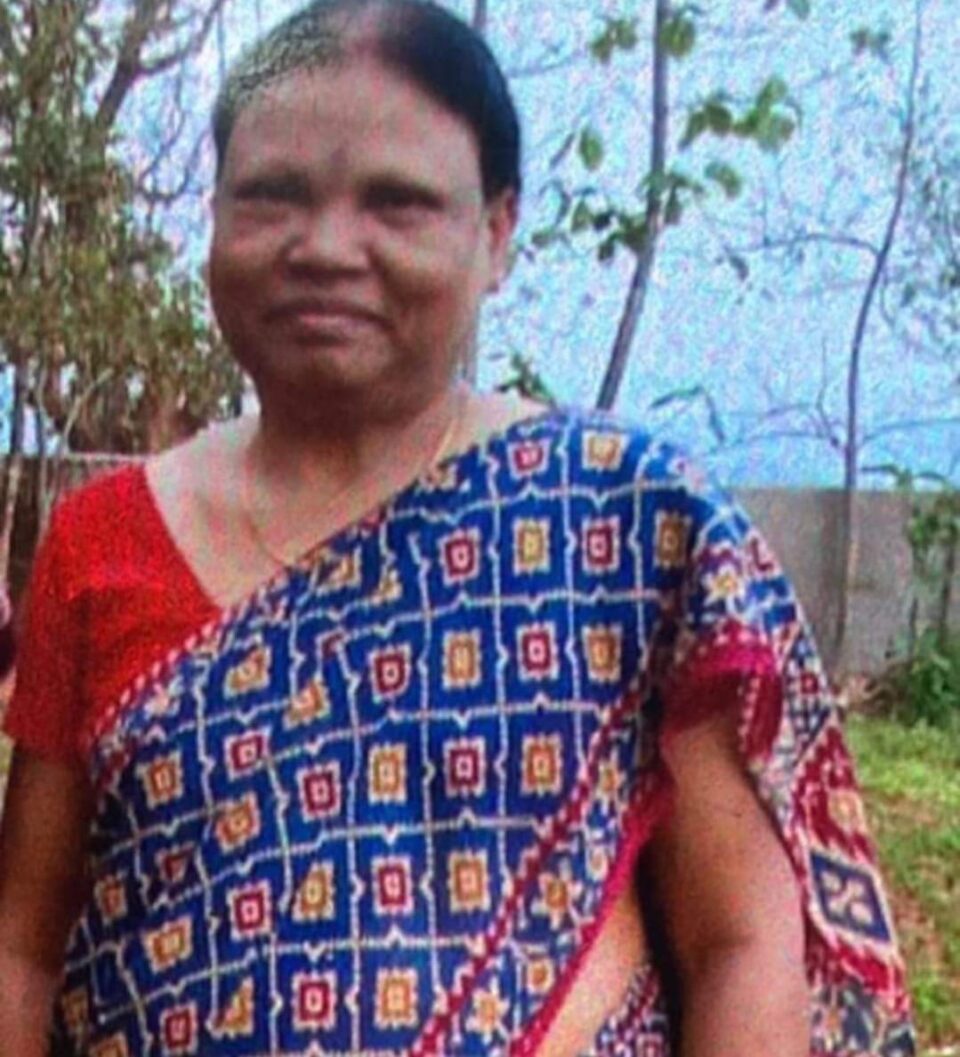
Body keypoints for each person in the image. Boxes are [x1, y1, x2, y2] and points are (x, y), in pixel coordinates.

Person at [0, 2, 915, 1054]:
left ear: (496, 233)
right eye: (271, 196)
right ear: (213, 218)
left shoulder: (625, 525)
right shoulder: (101, 543)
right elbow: (23, 946)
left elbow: (740, 940)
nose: (324, 247)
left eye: (396, 202)